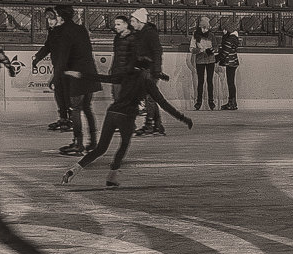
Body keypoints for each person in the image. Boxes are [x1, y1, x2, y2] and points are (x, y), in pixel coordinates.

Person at [61, 56, 194, 188]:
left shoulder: (125, 76)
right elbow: (163, 104)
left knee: (100, 148)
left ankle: (74, 170)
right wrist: (183, 118)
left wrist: (78, 74)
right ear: (145, 70)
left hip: (112, 113)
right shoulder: (147, 83)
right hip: (127, 117)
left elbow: (102, 78)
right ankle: (112, 176)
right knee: (124, 145)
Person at [52, 5, 101, 157]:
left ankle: (78, 143)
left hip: (76, 76)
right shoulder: (81, 29)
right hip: (89, 73)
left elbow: (63, 57)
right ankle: (93, 142)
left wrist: (56, 76)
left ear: (60, 16)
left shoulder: (64, 32)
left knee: (75, 109)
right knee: (87, 108)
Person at [32, 7, 70, 131]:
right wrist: (37, 58)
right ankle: (63, 118)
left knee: (66, 93)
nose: (49, 22)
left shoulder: (65, 31)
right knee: (59, 93)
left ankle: (71, 119)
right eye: (48, 20)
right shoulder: (53, 31)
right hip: (58, 66)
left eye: (51, 19)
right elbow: (48, 46)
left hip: (67, 67)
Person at [129, 7, 166, 136]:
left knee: (150, 98)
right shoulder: (139, 34)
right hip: (144, 69)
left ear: (140, 21)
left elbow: (157, 51)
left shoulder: (150, 33)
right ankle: (157, 125)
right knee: (150, 97)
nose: (131, 23)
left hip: (150, 70)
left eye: (133, 21)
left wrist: (157, 70)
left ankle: (150, 125)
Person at [190, 16, 217, 111]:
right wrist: (199, 50)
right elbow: (191, 49)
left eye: (207, 27)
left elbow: (215, 47)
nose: (205, 29)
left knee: (210, 81)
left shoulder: (212, 35)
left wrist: (212, 50)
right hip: (200, 60)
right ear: (200, 27)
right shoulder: (195, 35)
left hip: (210, 60)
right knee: (200, 81)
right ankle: (199, 102)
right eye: (203, 27)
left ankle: (211, 101)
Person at [110, 15, 135, 99]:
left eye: (118, 24)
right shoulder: (117, 37)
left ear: (126, 24)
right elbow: (116, 55)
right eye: (115, 24)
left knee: (124, 99)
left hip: (126, 75)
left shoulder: (132, 37)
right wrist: (112, 68)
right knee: (116, 96)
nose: (115, 27)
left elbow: (133, 57)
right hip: (117, 72)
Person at [216, 26, 239, 110]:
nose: (223, 31)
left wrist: (216, 59)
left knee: (230, 83)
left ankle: (232, 102)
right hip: (233, 62)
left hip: (231, 62)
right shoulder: (233, 38)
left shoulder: (230, 39)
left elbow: (225, 51)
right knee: (231, 82)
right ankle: (232, 102)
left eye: (224, 30)